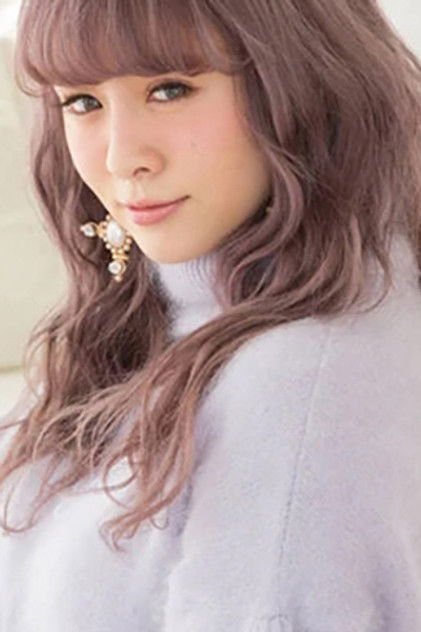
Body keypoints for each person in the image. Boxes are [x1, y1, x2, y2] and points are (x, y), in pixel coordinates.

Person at [0, 0, 420, 629]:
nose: (121, 158)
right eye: (83, 102)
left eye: (170, 90)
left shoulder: (305, 390)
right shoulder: (135, 320)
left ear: (301, 84)